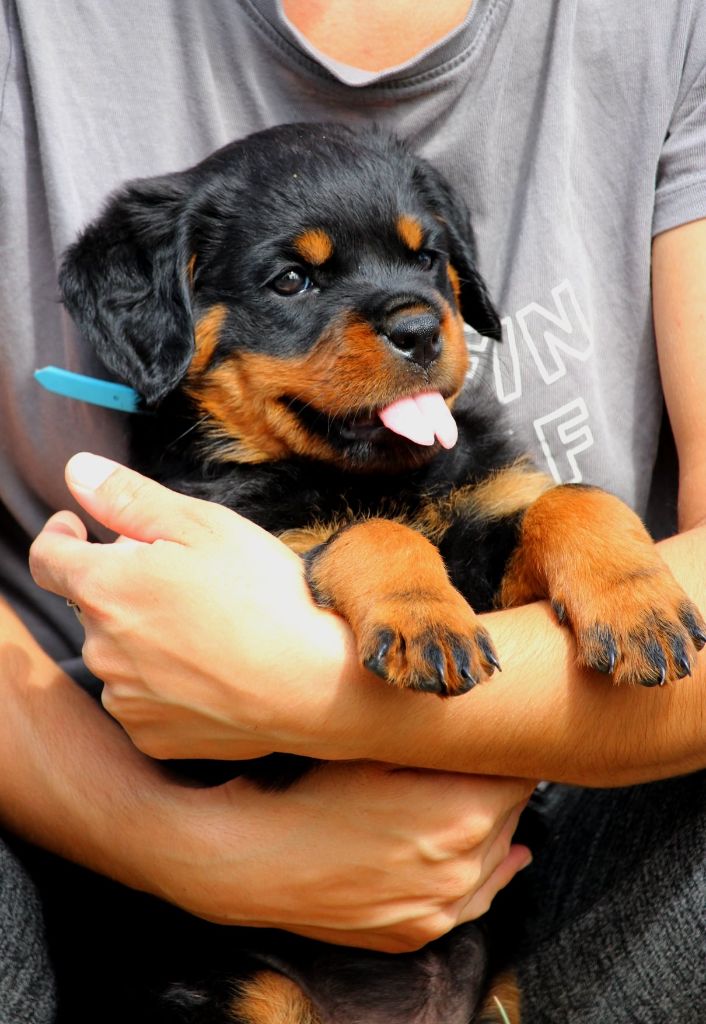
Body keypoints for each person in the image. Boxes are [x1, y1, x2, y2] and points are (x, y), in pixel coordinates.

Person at [3, 0, 705, 1020]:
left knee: (566, 512)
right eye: (293, 279)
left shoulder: (669, 27)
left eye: (422, 261)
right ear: (175, 315)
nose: (412, 314)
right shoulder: (210, 509)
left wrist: (598, 546)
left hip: (510, 927)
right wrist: (187, 848)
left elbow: (523, 535)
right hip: (233, 966)